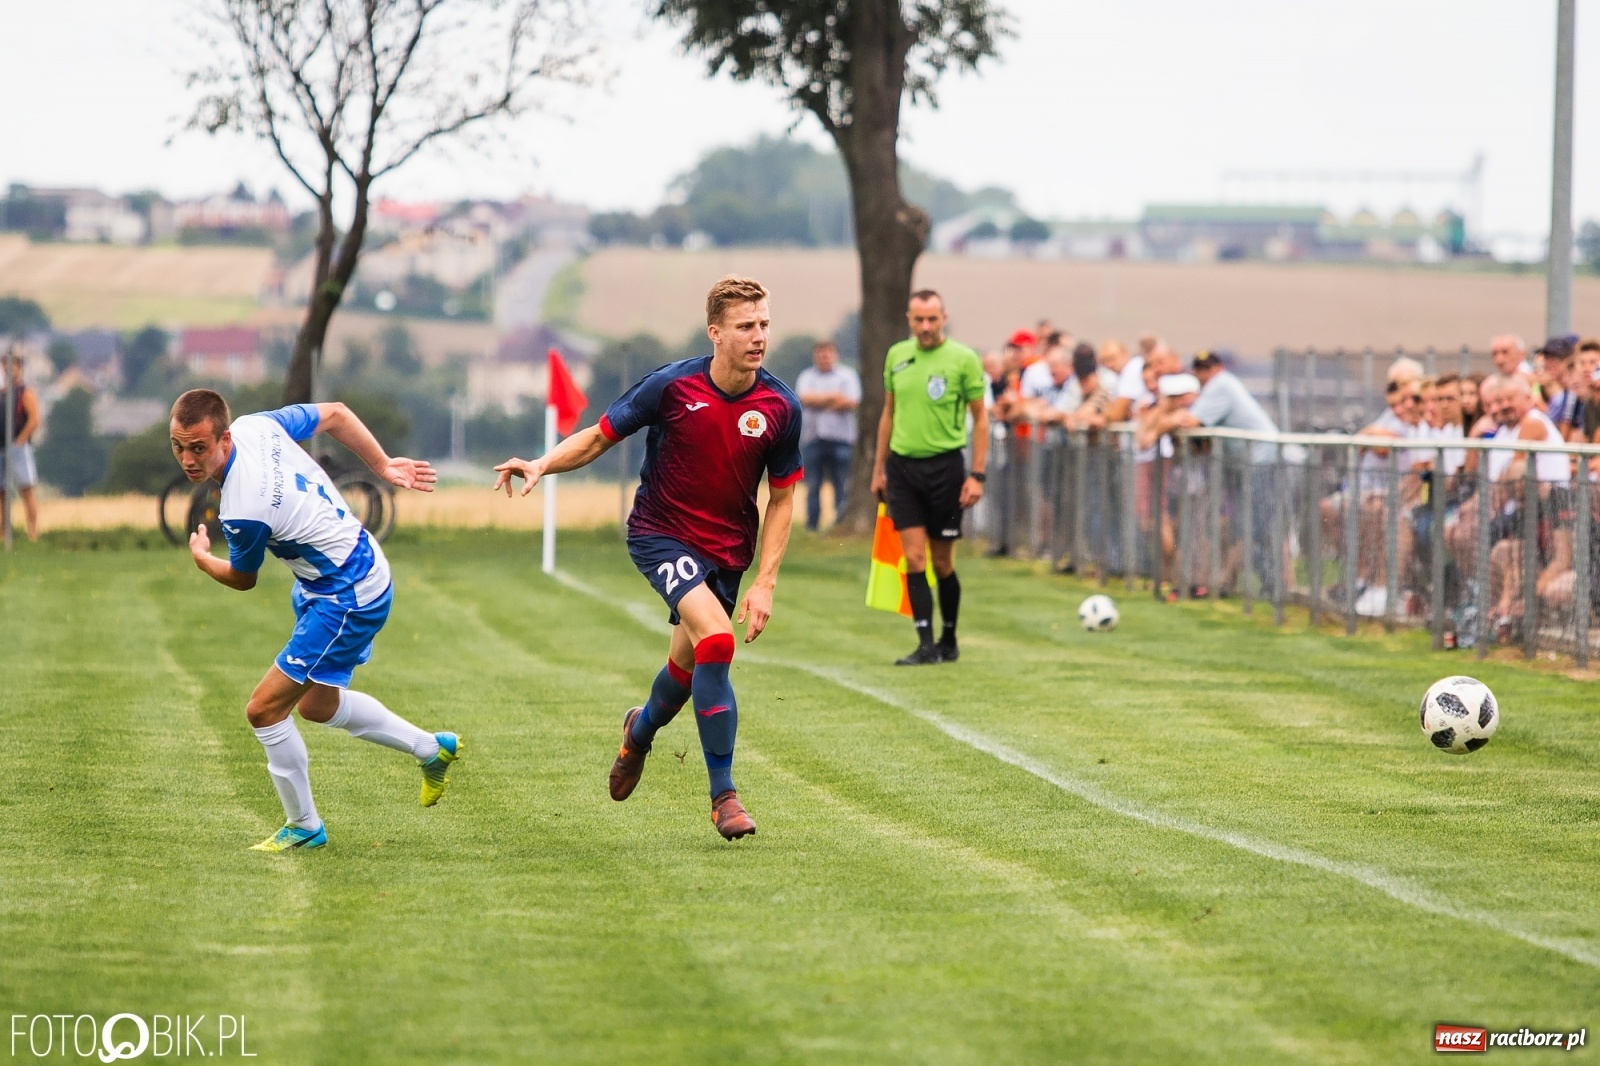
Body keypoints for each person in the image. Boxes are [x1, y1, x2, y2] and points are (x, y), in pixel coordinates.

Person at [493, 276, 802, 840]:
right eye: (745, 327)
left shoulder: (780, 406)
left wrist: (766, 583)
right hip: (661, 534)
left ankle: (639, 731)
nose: (759, 337)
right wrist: (541, 464)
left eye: (763, 325)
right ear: (716, 333)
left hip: (727, 552)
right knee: (717, 641)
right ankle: (724, 798)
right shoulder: (672, 387)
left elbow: (781, 498)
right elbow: (597, 437)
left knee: (686, 672)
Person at [169, 390, 454, 852]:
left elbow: (243, 579)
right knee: (317, 706)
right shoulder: (256, 425)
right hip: (344, 570)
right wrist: (382, 465)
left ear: (223, 438)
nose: (187, 458)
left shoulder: (242, 508)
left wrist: (202, 559)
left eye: (198, 447)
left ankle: (303, 826)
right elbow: (337, 413)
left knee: (263, 710)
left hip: (347, 592)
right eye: (178, 446)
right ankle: (431, 748)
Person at [871, 289, 989, 666]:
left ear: (943, 318)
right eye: (918, 319)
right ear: (909, 319)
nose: (925, 327)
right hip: (903, 469)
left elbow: (981, 418)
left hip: (946, 468)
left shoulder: (963, 359)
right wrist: (879, 468)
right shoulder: (896, 356)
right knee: (914, 557)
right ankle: (925, 646)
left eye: (932, 319)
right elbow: (888, 413)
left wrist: (977, 475)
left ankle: (948, 638)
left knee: (942, 563)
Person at [794, 339, 861, 531]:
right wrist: (834, 397)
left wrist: (819, 400)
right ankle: (812, 525)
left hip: (842, 439)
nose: (824, 358)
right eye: (821, 354)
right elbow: (804, 399)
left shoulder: (848, 375)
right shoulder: (806, 376)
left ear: (835, 355)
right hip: (813, 439)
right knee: (813, 485)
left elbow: (851, 401)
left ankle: (841, 522)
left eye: (828, 353)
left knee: (842, 483)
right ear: (815, 356)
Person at [2, 350, 41, 542]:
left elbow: (34, 420)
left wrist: (19, 441)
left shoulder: (25, 393)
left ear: (19, 368)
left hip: (18, 447)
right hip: (1, 447)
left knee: (26, 490)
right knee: (1, 493)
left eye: (12, 366)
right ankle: (3, 534)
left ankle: (33, 534)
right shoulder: (3, 393)